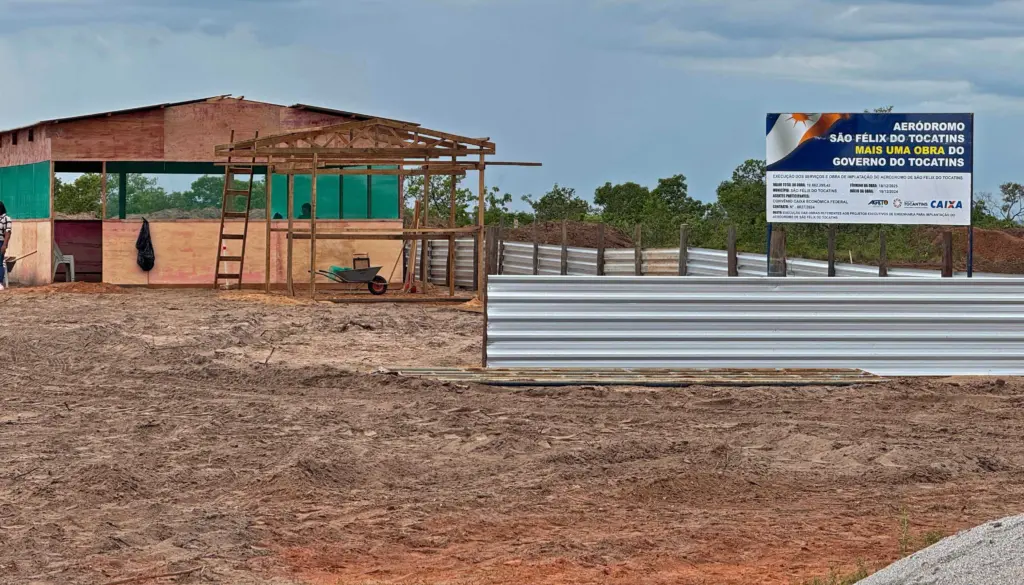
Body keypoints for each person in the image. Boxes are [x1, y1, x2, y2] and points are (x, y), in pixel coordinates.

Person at [0, 202, 11, 290]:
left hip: (0, 242)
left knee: (0, 262)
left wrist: (4, 245)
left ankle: (0, 283)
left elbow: (8, 232)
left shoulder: (6, 219)